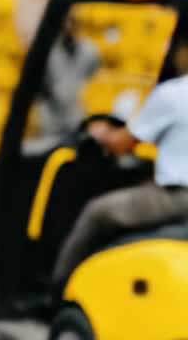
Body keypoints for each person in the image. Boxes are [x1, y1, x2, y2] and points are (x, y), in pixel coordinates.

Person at [51, 34, 188, 289]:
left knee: (97, 212)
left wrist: (99, 131)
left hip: (179, 198)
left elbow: (123, 143)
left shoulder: (174, 94)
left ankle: (59, 288)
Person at [40, 15, 100, 139]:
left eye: (70, 25)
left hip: (79, 114)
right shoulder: (48, 51)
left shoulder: (90, 50)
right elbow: (41, 86)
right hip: (53, 119)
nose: (67, 29)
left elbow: (95, 79)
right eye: (63, 26)